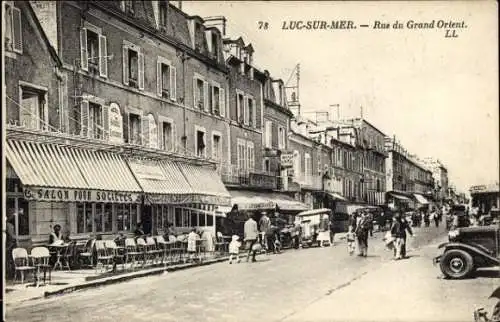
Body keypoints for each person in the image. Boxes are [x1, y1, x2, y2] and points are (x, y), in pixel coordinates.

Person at [5, 211, 17, 279]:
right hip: (9, 245)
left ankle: (11, 274)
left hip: (10, 246)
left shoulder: (9, 226)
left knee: (10, 261)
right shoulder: (10, 225)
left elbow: (12, 237)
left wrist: (8, 247)